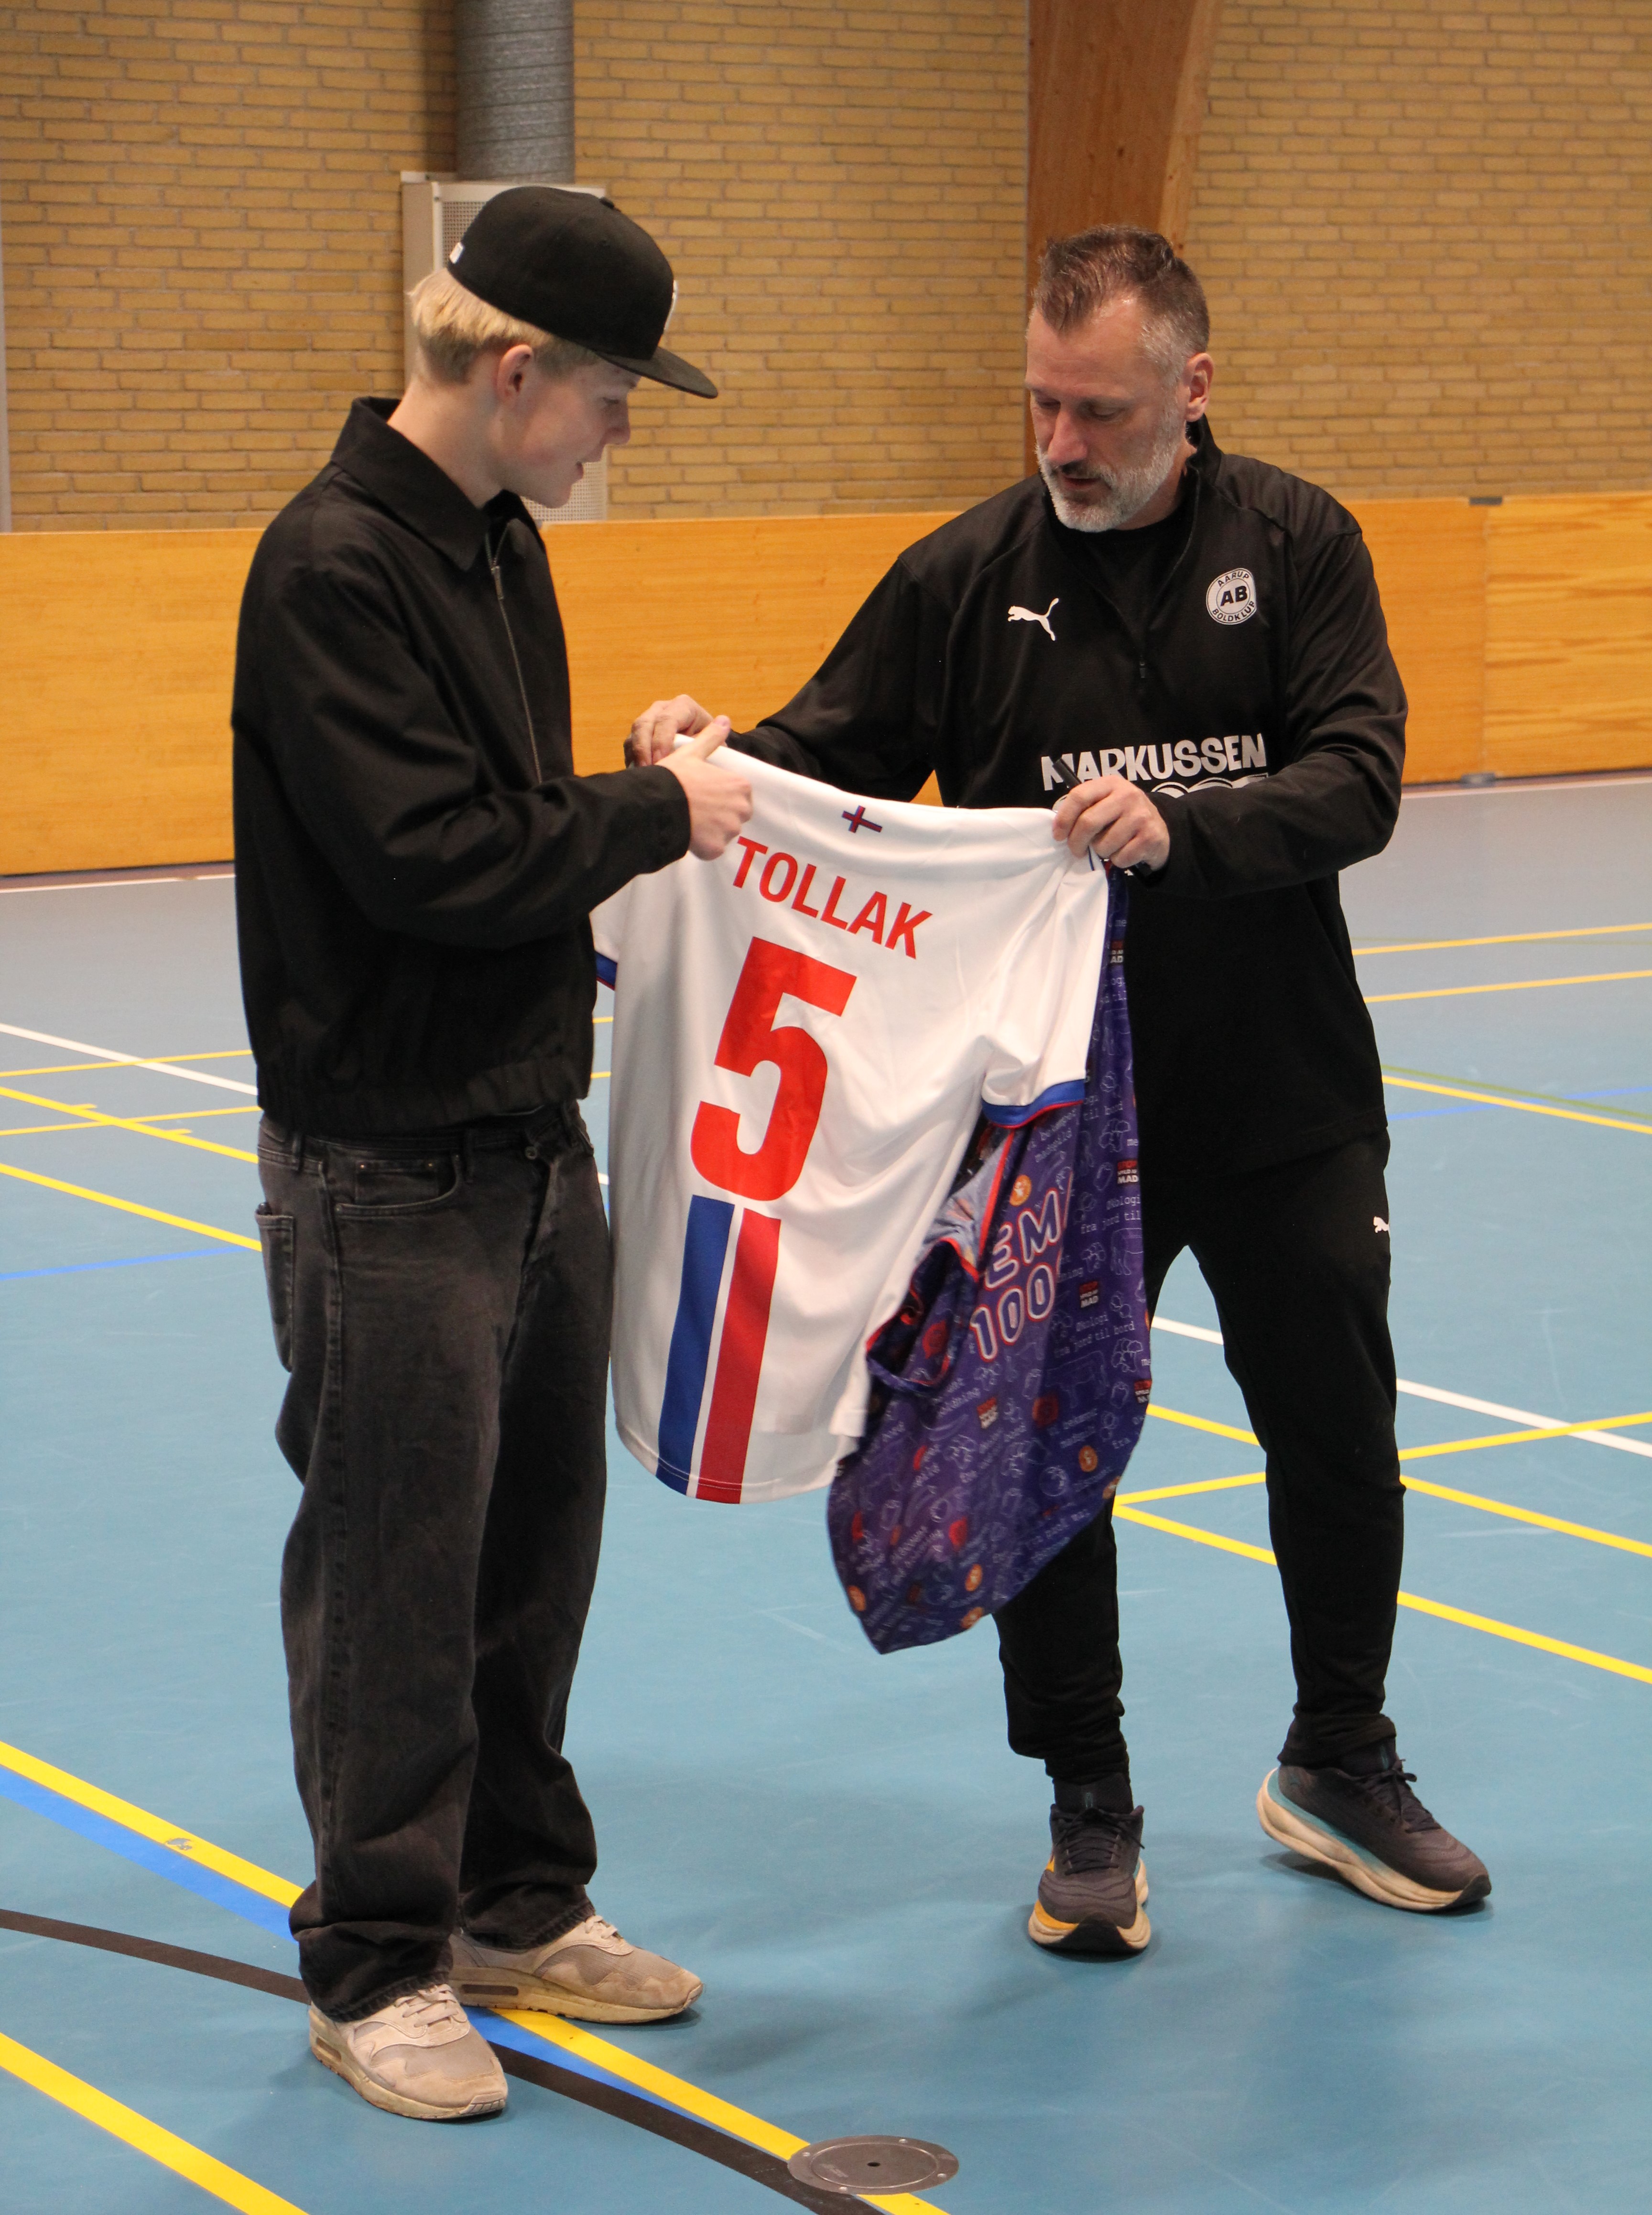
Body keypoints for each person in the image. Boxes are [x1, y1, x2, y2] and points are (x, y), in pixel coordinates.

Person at [626, 225, 1489, 1958]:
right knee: (1045, 1443)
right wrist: (703, 765)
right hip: (1053, 1117)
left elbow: (1361, 776)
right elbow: (822, 763)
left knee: (1336, 1425)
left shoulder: (1300, 546)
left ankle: (1340, 1755)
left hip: (1284, 1093)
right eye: (1042, 404)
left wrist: (1189, 828)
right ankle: (1088, 1803)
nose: (1064, 442)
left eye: (1100, 409)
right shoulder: (964, 577)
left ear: (1194, 388)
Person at [232, 185, 753, 2122]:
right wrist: (653, 812)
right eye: (614, 394)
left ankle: (517, 1899)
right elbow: (434, 862)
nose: (617, 431)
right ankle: (378, 1959)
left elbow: (503, 807)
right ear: (518, 371)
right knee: (394, 1570)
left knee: (535, 1551)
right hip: (387, 1172)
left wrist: (628, 764)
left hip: (534, 1143)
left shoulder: (498, 549)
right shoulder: (331, 566)